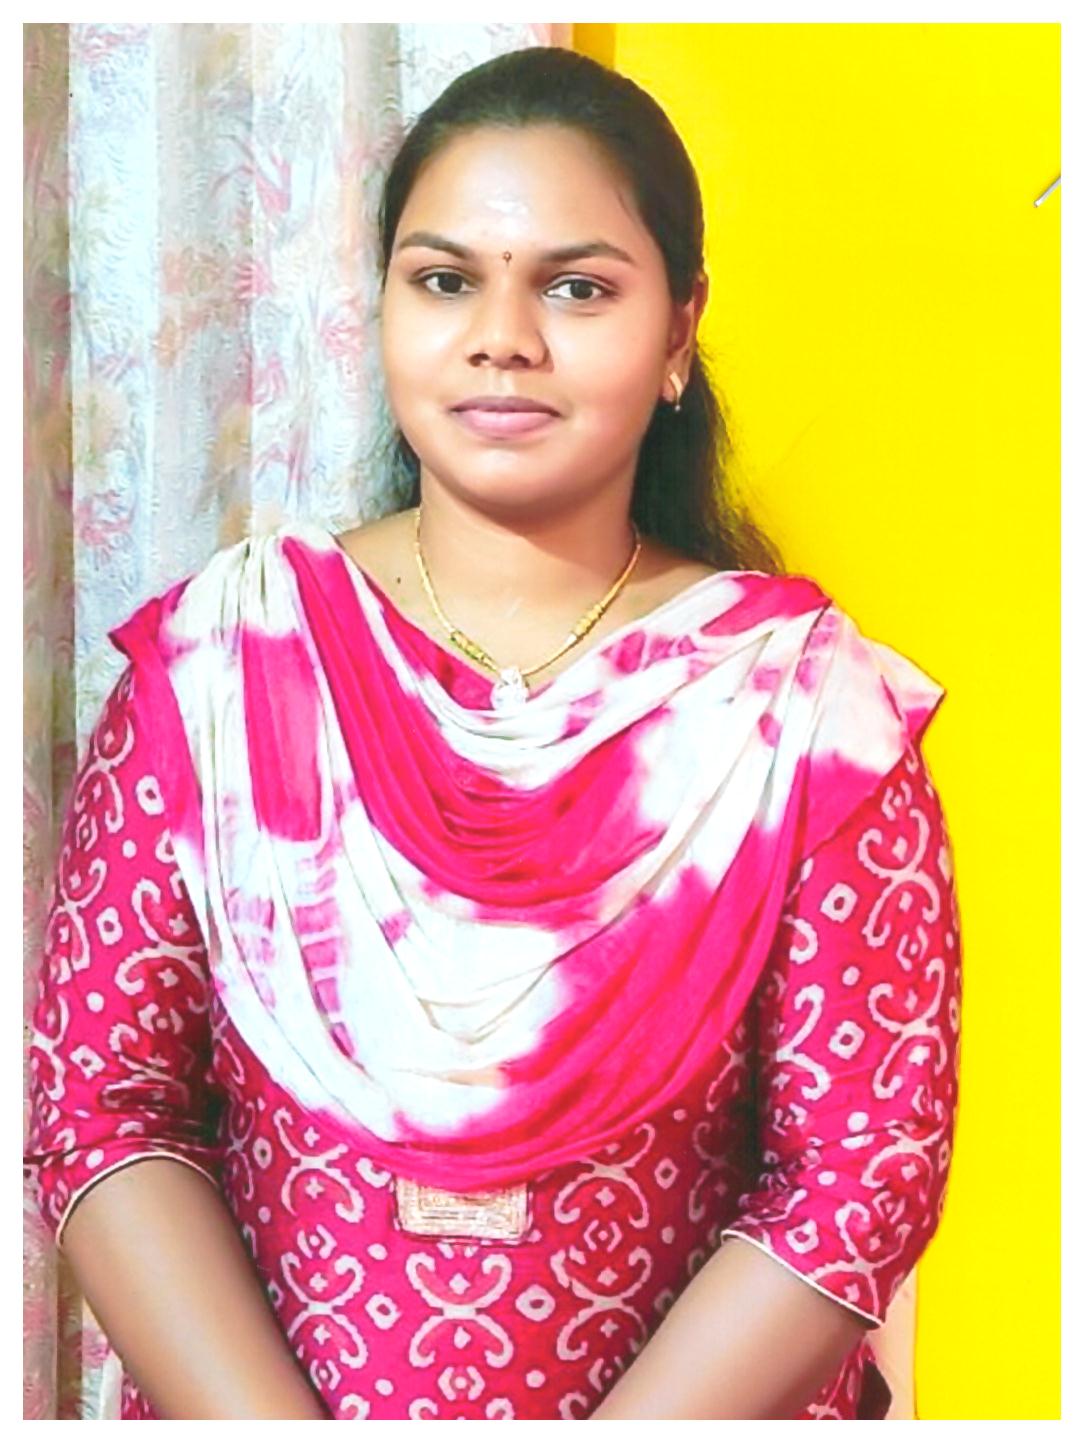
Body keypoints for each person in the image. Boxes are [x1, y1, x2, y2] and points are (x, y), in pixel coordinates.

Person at [23, 46, 961, 1421]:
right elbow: (104, 1110)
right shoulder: (221, 670)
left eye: (577, 287)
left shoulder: (802, 711)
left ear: (680, 332)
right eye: (445, 279)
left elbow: (860, 1172)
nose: (502, 336)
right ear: (385, 308)